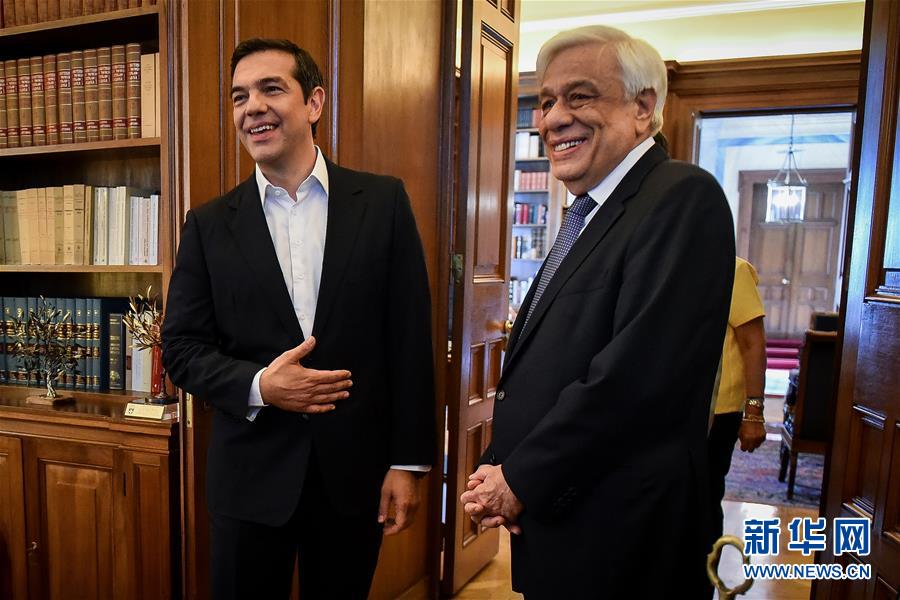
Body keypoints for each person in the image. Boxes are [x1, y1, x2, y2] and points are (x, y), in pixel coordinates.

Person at [460, 25, 735, 597]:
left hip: (624, 540)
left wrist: (521, 477)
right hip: (564, 519)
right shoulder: (586, 214)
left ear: (643, 108)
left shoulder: (681, 197)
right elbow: (552, 364)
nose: (554, 118)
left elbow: (635, 378)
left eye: (580, 97)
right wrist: (502, 464)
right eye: (546, 102)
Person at [161, 38, 435, 600]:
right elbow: (182, 348)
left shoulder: (383, 203)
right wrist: (262, 385)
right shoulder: (208, 225)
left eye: (271, 89)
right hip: (248, 483)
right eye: (239, 96)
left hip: (354, 480)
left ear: (314, 102)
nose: (252, 108)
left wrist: (407, 464)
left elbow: (410, 342)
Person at [708, 257, 767, 546]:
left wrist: (753, 414)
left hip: (719, 411)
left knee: (703, 502)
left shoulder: (735, 269)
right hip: (673, 407)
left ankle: (704, 569)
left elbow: (753, 343)